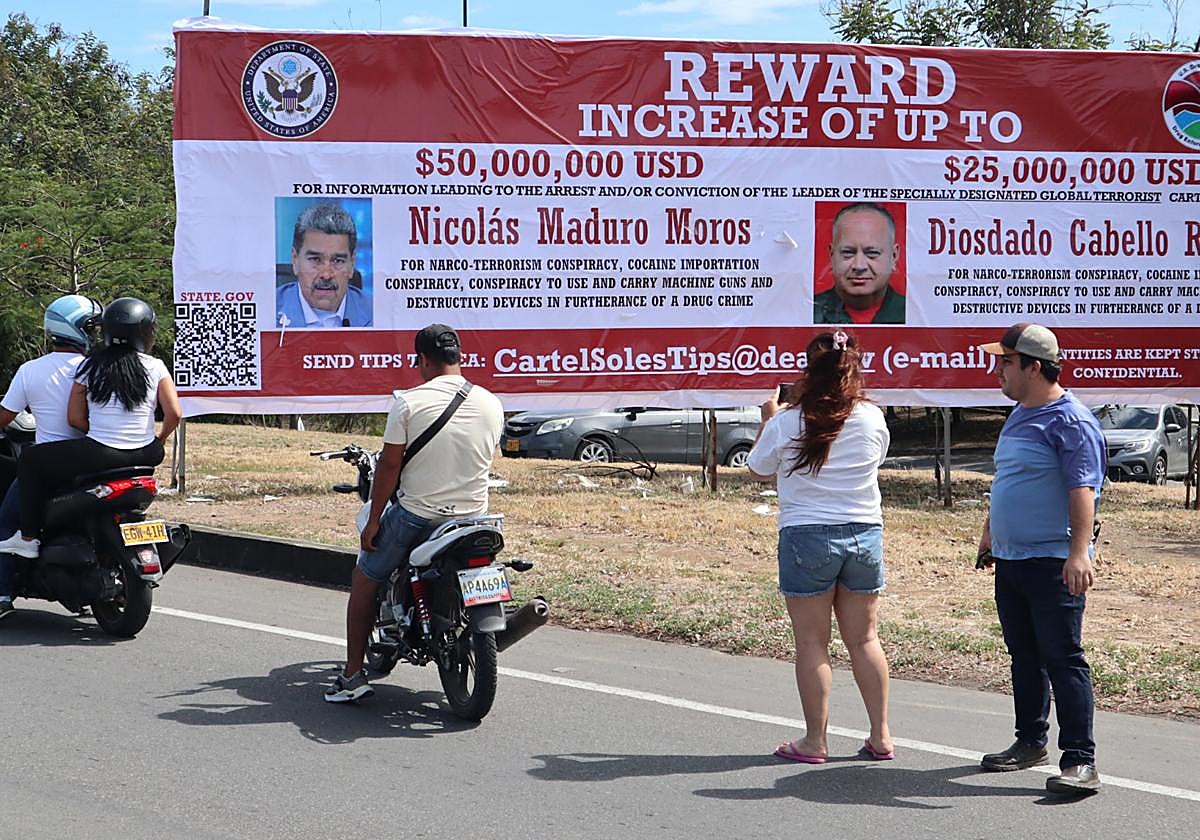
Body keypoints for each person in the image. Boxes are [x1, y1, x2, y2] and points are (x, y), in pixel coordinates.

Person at [325, 323, 503, 702]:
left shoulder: (409, 402)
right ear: (459, 357)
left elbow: (389, 467)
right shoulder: (491, 401)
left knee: (364, 579)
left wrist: (373, 521)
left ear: (421, 359)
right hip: (475, 516)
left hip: (418, 516)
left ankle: (353, 676)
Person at [747, 330, 894, 763]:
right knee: (865, 638)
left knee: (812, 644)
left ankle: (815, 741)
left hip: (807, 536)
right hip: (864, 533)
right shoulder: (872, 417)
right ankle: (881, 735)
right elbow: (876, 459)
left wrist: (769, 417)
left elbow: (757, 468)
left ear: (808, 370)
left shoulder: (788, 420)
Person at [976, 322, 1106, 796]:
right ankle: (1030, 742)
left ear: (1034, 366)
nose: (998, 371)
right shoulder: (1019, 413)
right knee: (1024, 656)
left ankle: (1080, 761)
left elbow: (1082, 489)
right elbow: (1008, 478)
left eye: (1006, 362)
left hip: (1053, 561)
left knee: (1063, 657)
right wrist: (990, 534)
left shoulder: (1070, 420)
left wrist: (1078, 553)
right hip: (1012, 559)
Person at [0, 298, 181, 560]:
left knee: (29, 458)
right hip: (147, 456)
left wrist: (97, 429)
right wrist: (159, 440)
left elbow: (74, 419)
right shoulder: (155, 366)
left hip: (101, 453)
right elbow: (174, 413)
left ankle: (28, 538)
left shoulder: (90, 365)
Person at [0, 295, 102, 619]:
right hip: (101, 462)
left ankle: (2, 594)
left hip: (48, 469)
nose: (96, 334)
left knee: (5, 521)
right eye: (92, 327)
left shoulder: (31, 371)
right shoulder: (101, 367)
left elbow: (5, 417)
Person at [275, 203, 373, 328]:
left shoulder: (378, 313)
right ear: (295, 260)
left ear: (352, 263)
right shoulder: (265, 311)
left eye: (337, 261)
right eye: (315, 259)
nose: (326, 275)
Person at [814, 203, 905, 325]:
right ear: (832, 255)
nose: (859, 266)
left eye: (872, 253)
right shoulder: (807, 311)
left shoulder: (916, 314)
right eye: (848, 252)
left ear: (894, 256)